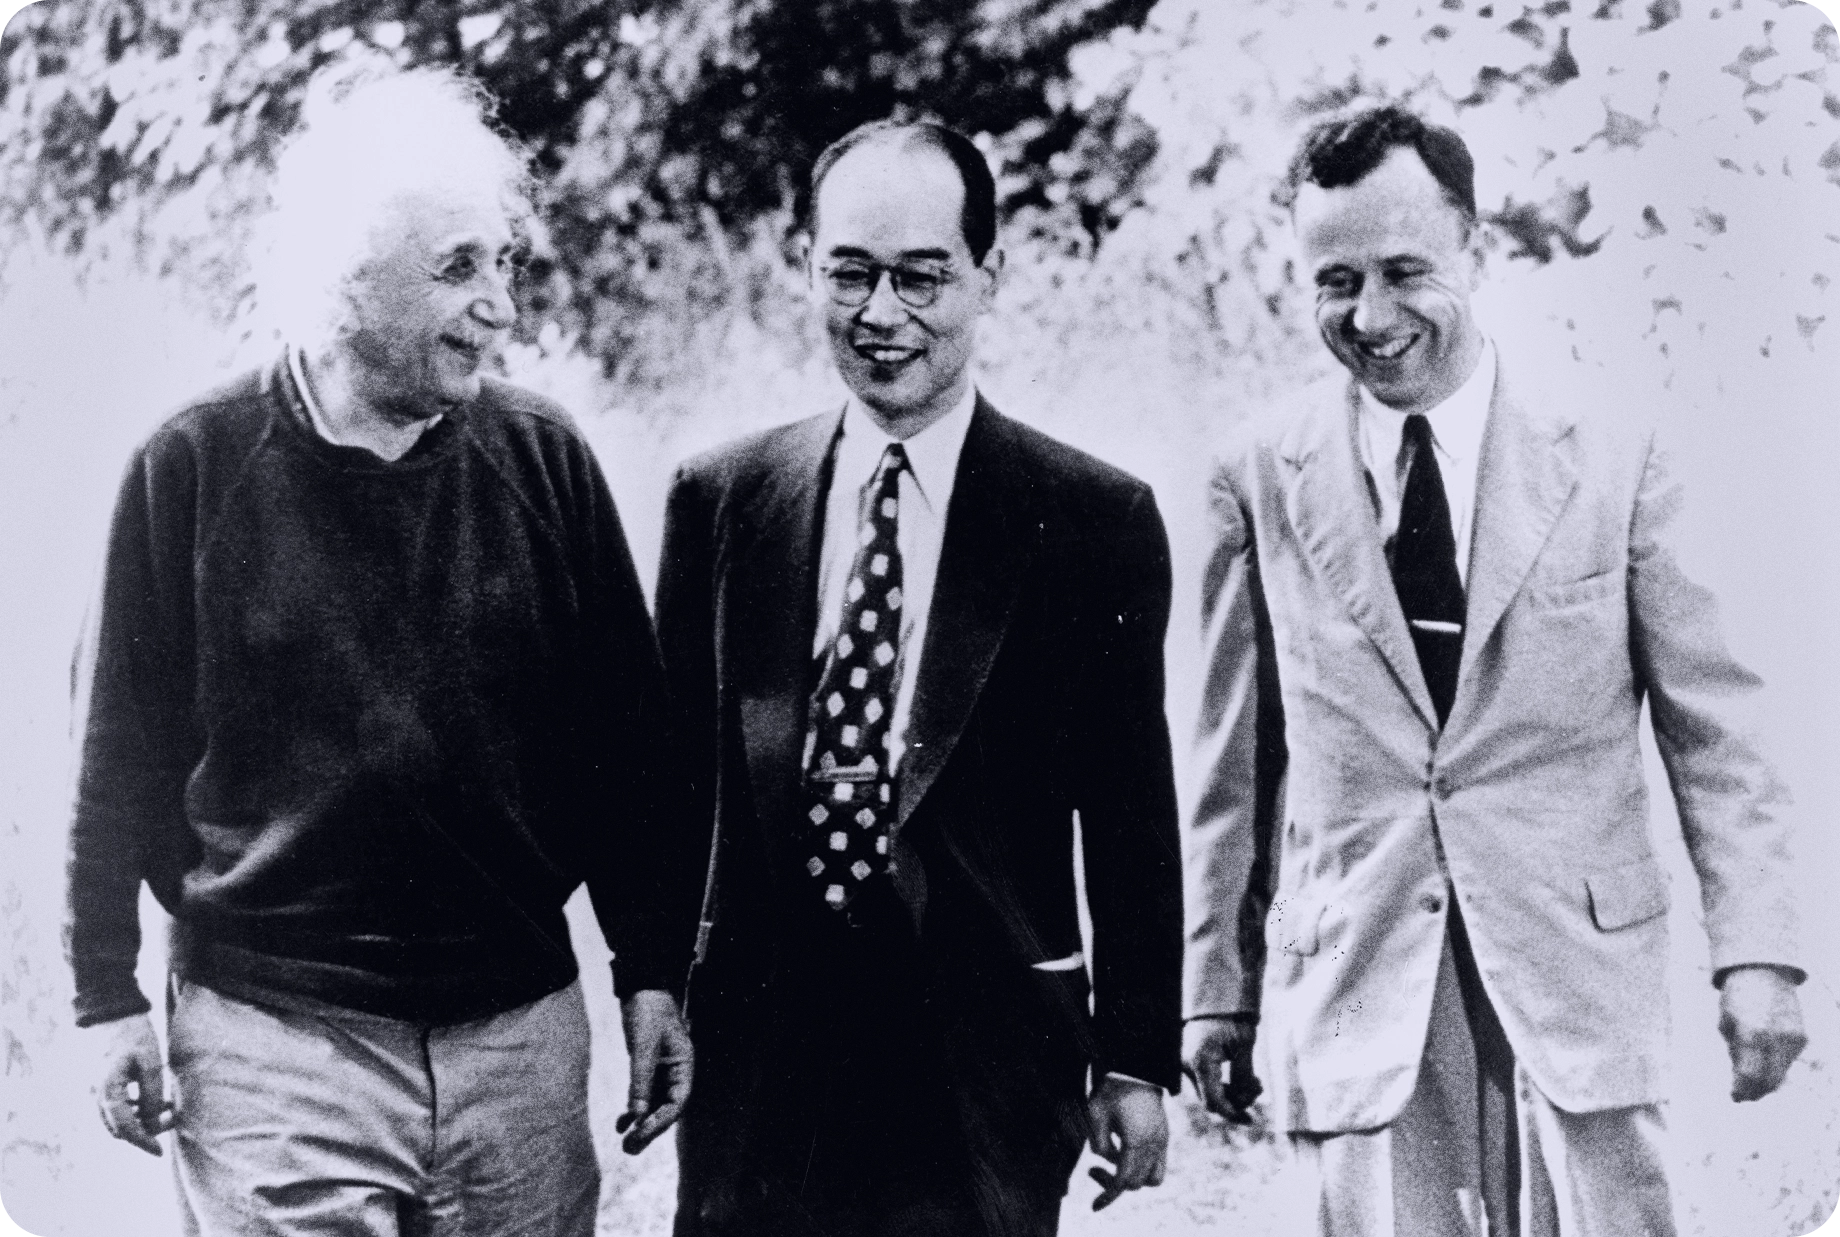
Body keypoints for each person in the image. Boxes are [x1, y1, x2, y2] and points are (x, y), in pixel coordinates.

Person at [63, 68, 701, 1237]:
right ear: (343, 281)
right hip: (275, 1044)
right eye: (459, 268)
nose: (501, 305)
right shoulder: (191, 468)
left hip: (516, 1041)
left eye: (505, 263)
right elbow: (115, 758)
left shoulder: (545, 460)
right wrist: (106, 996)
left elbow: (629, 753)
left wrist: (651, 970)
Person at [1182, 105, 1808, 1236]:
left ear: (1475, 245)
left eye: (1404, 270)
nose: (1370, 318)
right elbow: (1230, 766)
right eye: (1333, 282)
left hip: (1577, 978)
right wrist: (1212, 996)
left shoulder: (1619, 450)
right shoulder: (1255, 476)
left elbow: (1715, 731)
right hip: (1364, 987)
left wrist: (1757, 953)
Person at [655, 119, 1183, 1237]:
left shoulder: (1090, 521)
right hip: (764, 1061)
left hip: (982, 1058)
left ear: (988, 277)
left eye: (920, 277)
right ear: (806, 268)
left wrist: (1136, 1058)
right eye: (848, 273)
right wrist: (650, 981)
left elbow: (1131, 814)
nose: (880, 314)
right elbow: (672, 784)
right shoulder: (721, 501)